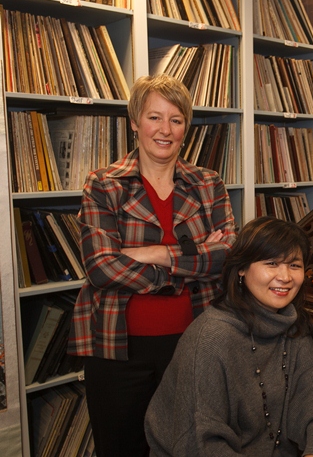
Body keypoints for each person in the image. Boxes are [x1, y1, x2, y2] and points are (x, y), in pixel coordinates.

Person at [67, 74, 237, 457]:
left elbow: (227, 254)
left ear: (186, 128)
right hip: (116, 349)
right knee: (122, 449)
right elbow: (101, 267)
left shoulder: (208, 183)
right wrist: (190, 261)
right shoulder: (104, 184)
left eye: (176, 120)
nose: (165, 130)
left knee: (191, 447)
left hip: (194, 343)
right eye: (154, 118)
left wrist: (156, 253)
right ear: (134, 122)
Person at [144, 215, 313, 456]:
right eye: (271, 263)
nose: (285, 277)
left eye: (294, 265)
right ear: (241, 269)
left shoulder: (288, 321)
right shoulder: (211, 338)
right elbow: (201, 443)